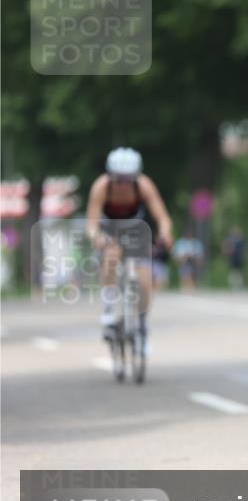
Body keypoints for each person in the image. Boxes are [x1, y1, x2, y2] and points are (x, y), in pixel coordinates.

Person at [85, 147, 173, 352]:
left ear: (135, 177)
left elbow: (162, 216)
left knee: (144, 277)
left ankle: (141, 326)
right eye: (118, 179)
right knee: (111, 257)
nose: (123, 184)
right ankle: (108, 312)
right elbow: (91, 222)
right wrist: (96, 237)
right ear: (110, 176)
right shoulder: (101, 187)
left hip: (135, 230)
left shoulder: (143, 185)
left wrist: (166, 233)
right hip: (109, 229)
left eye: (128, 179)